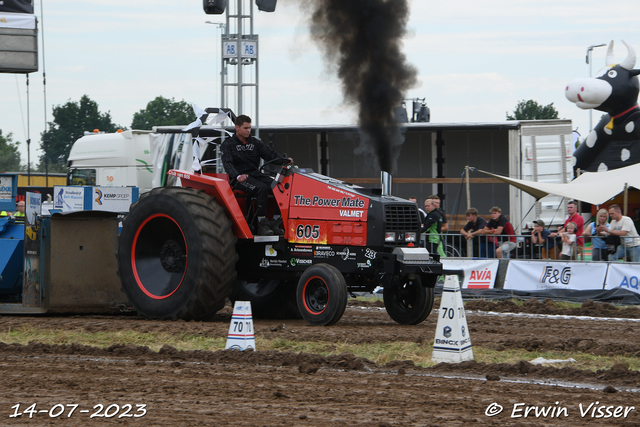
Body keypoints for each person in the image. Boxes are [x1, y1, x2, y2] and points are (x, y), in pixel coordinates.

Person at [220, 115, 291, 235]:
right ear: (237, 127)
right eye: (245, 128)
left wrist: (284, 160)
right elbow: (227, 164)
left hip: (256, 175)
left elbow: (270, 155)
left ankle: (275, 222)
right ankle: (261, 224)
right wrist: (238, 176)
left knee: (281, 188)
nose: (248, 131)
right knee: (261, 188)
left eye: (249, 128)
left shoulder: (255, 143)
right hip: (239, 179)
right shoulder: (227, 144)